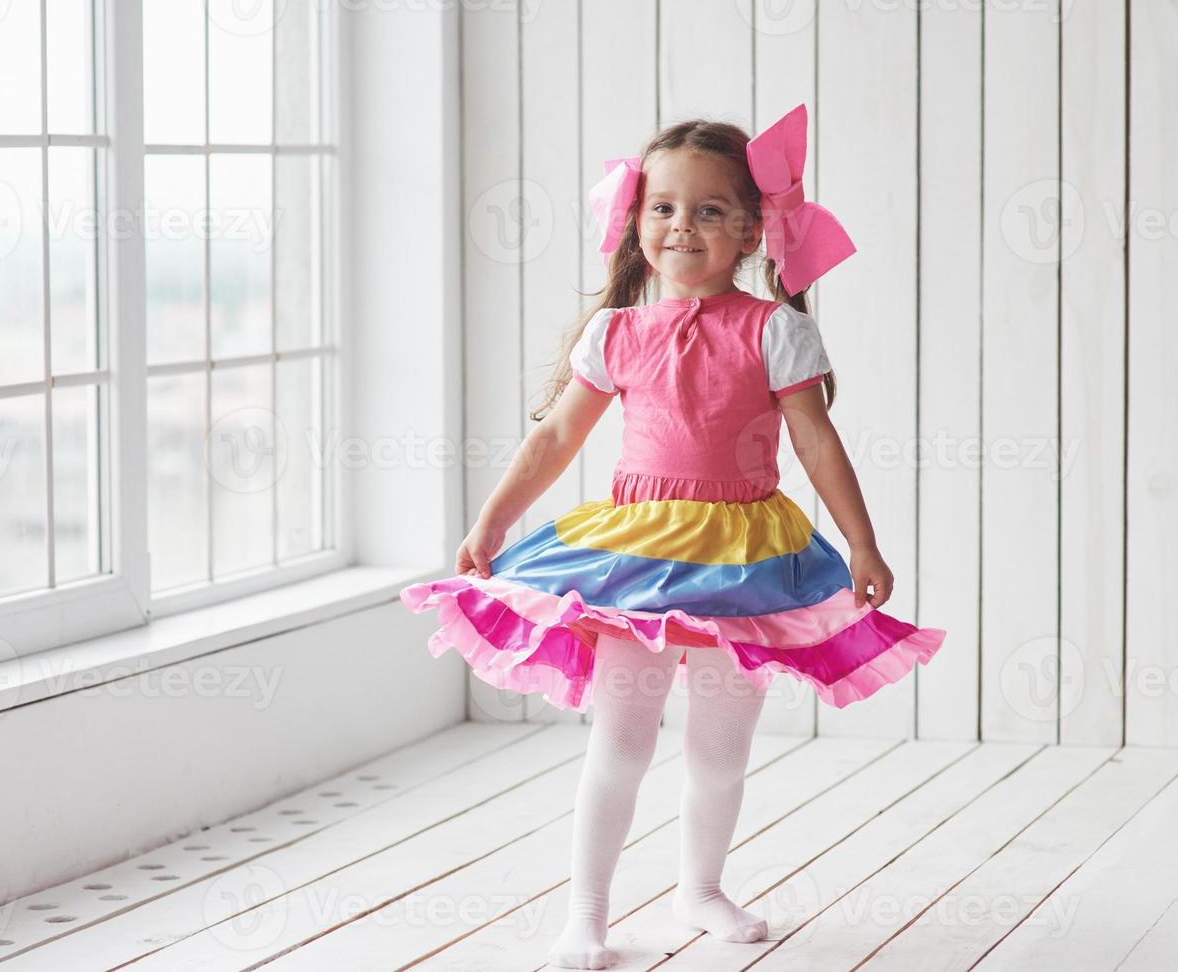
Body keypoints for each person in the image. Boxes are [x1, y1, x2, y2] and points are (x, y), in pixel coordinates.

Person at [399, 102, 946, 969]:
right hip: (636, 561)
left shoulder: (776, 330)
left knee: (719, 749)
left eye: (707, 209)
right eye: (661, 207)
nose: (681, 225)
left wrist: (862, 544)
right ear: (634, 224)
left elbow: (815, 441)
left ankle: (699, 888)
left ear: (751, 230)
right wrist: (491, 519)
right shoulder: (615, 333)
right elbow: (553, 440)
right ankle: (585, 914)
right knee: (620, 741)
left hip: (746, 560)